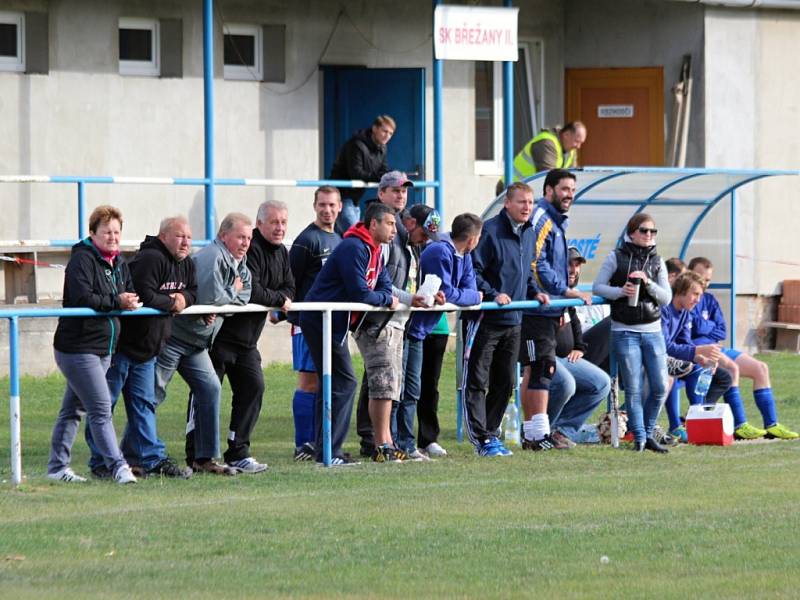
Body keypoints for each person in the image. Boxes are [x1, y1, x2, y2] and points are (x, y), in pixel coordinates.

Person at [85, 215, 196, 480]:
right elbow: (144, 295)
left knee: (144, 405)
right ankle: (100, 461)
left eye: (189, 238)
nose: (185, 242)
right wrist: (173, 304)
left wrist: (182, 298)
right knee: (104, 406)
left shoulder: (187, 264)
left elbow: (195, 292)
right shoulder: (151, 259)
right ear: (164, 236)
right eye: (180, 236)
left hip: (149, 349)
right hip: (122, 347)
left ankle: (151, 458)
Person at [301, 202, 398, 465]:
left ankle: (326, 449)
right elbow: (361, 293)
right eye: (389, 224)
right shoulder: (353, 247)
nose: (394, 230)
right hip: (321, 319)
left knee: (332, 383)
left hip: (336, 322)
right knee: (345, 382)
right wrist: (385, 299)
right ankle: (329, 452)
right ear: (373, 224)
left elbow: (384, 286)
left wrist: (385, 296)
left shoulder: (376, 250)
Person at [47, 205, 139, 484]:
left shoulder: (120, 262)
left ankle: (56, 467)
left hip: (104, 348)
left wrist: (130, 300)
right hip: (77, 347)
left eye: (116, 232)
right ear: (93, 233)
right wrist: (117, 302)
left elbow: (128, 290)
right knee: (100, 409)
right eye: (106, 231)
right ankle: (119, 466)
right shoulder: (82, 260)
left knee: (73, 409)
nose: (112, 237)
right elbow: (83, 297)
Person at [156, 212, 253, 475]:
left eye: (248, 238)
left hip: (197, 343)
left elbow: (244, 297)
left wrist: (223, 301)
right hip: (175, 337)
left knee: (210, 388)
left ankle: (204, 458)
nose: (245, 243)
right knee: (152, 394)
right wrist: (227, 295)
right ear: (223, 236)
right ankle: (135, 454)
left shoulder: (239, 263)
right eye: (240, 237)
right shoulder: (213, 256)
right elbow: (213, 297)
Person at [210, 201, 295, 474]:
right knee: (206, 393)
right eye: (274, 222)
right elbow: (253, 290)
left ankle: (238, 451)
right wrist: (278, 298)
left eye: (283, 222)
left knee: (253, 388)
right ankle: (199, 454)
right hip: (220, 338)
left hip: (247, 342)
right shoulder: (250, 248)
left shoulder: (282, 252)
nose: (280, 227)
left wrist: (281, 297)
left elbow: (290, 287)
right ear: (260, 224)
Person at [463, 182, 540, 457]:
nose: (527, 207)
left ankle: (491, 435)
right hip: (486, 319)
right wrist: (494, 294)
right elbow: (472, 271)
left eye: (530, 203)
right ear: (507, 203)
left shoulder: (529, 232)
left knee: (506, 381)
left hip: (514, 320)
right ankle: (481, 439)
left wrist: (536, 292)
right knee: (477, 380)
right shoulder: (490, 231)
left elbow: (525, 273)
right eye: (521, 202)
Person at [519, 170, 592, 451]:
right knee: (541, 369)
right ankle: (536, 435)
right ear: (548, 190)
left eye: (572, 189)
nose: (569, 195)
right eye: (564, 189)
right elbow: (536, 263)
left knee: (538, 370)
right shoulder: (541, 218)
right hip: (537, 309)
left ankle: (534, 434)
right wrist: (562, 291)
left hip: (549, 310)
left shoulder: (556, 221)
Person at [687, 257, 797, 440]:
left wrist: (705, 327)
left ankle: (772, 424)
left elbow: (721, 330)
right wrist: (708, 327)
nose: (704, 284)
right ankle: (740, 424)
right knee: (732, 368)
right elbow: (694, 329)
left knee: (761, 368)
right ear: (689, 275)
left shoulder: (710, 300)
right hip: (701, 352)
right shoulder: (687, 298)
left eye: (708, 280)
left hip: (717, 347)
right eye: (700, 277)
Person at [592, 212, 671, 453]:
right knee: (634, 388)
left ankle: (647, 433)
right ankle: (639, 437)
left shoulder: (658, 262)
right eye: (644, 231)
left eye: (652, 231)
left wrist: (648, 283)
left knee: (659, 386)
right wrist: (620, 292)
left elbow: (666, 298)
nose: (649, 235)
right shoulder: (615, 257)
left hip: (653, 331)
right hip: (624, 330)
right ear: (632, 232)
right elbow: (598, 287)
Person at [408, 212, 484, 456]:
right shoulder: (439, 252)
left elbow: (469, 289)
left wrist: (470, 296)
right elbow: (450, 293)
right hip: (417, 327)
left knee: (431, 385)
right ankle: (401, 441)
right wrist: (472, 297)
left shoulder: (465, 254)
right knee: (411, 387)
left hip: (437, 326)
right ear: (472, 238)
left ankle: (428, 439)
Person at [353, 171, 416, 457]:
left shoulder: (401, 229)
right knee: (380, 381)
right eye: (394, 190)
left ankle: (386, 441)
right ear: (381, 194)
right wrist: (410, 299)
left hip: (395, 315)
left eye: (404, 190)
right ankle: (376, 443)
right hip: (377, 319)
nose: (401, 194)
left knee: (385, 381)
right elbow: (379, 283)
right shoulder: (376, 233)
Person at [288, 186, 343, 461]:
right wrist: (291, 316)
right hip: (306, 322)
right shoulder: (306, 240)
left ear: (340, 207)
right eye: (322, 205)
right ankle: (303, 444)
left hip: (330, 322)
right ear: (314, 206)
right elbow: (291, 281)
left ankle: (321, 441)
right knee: (309, 382)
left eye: (332, 205)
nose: (327, 210)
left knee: (327, 382)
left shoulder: (340, 238)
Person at [547, 247, 611, 445]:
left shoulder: (570, 297)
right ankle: (539, 430)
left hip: (567, 357)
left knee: (601, 383)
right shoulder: (548, 291)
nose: (574, 270)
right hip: (544, 356)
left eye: (577, 265)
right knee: (566, 383)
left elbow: (574, 325)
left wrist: (579, 348)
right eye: (569, 265)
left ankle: (561, 429)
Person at [661, 271, 733, 429]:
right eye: (695, 294)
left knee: (701, 370)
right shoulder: (664, 310)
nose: (698, 300)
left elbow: (685, 342)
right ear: (681, 290)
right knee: (672, 371)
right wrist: (698, 351)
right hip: (654, 360)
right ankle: (675, 427)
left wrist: (702, 358)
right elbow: (664, 346)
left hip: (671, 360)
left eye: (700, 295)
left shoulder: (685, 314)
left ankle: (696, 422)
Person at [329, 115, 395, 231]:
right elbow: (356, 173)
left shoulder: (382, 148)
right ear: (375, 128)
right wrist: (380, 177)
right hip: (341, 195)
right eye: (384, 131)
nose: (387, 136)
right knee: (356, 234)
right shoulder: (356, 145)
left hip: (355, 198)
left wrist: (390, 176)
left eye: (390, 133)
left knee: (346, 235)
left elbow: (383, 170)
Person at [496, 121, 587, 195]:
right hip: (510, 188)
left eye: (581, 143)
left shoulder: (570, 151)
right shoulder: (546, 143)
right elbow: (548, 176)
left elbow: (571, 177)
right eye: (576, 141)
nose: (578, 146)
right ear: (566, 135)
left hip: (526, 192)